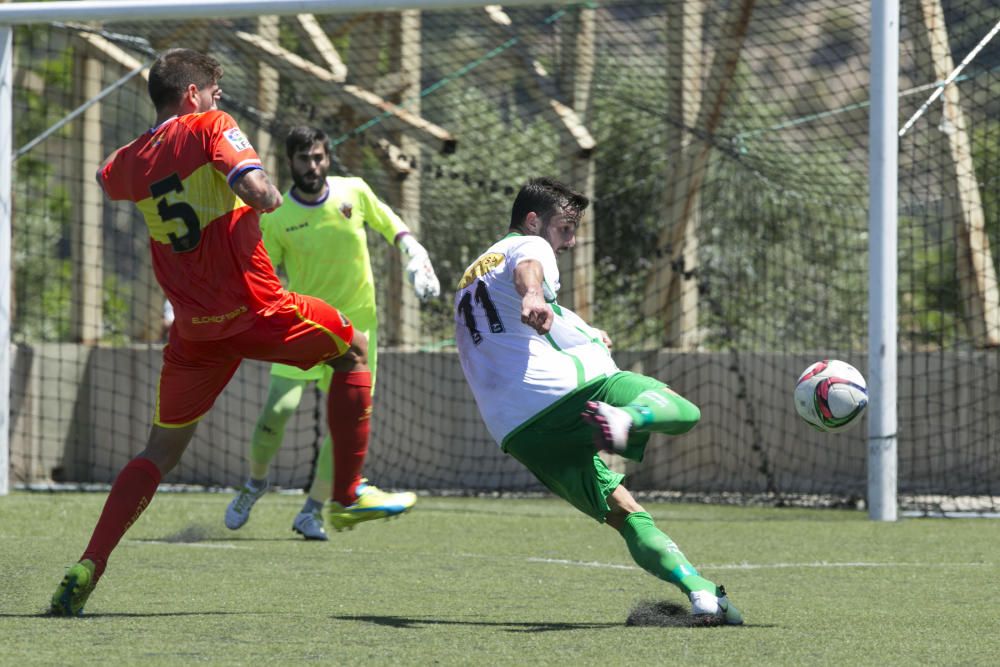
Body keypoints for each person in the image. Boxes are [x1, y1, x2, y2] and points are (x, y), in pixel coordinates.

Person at [48, 48, 415, 617]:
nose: (219, 101)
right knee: (355, 349)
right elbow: (260, 191)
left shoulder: (128, 160)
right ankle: (346, 493)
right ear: (192, 95)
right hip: (257, 309)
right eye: (214, 92)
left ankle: (91, 562)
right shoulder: (210, 126)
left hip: (195, 331)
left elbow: (105, 176)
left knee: (159, 450)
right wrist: (258, 194)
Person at [453, 177, 744, 625]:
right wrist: (535, 293)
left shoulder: (474, 271)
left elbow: (534, 316)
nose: (570, 241)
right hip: (562, 391)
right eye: (566, 227)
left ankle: (702, 593)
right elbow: (529, 270)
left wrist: (586, 332)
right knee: (685, 412)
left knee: (626, 514)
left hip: (517, 431)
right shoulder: (530, 247)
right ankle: (625, 419)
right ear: (533, 221)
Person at [224, 126, 439, 540]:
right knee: (278, 411)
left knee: (344, 428)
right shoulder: (279, 216)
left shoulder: (353, 192)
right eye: (304, 159)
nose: (313, 166)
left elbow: (390, 222)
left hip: (360, 332)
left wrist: (416, 254)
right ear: (290, 162)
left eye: (319, 157)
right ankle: (255, 483)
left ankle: (312, 510)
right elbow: (264, 274)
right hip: (307, 327)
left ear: (328, 157)